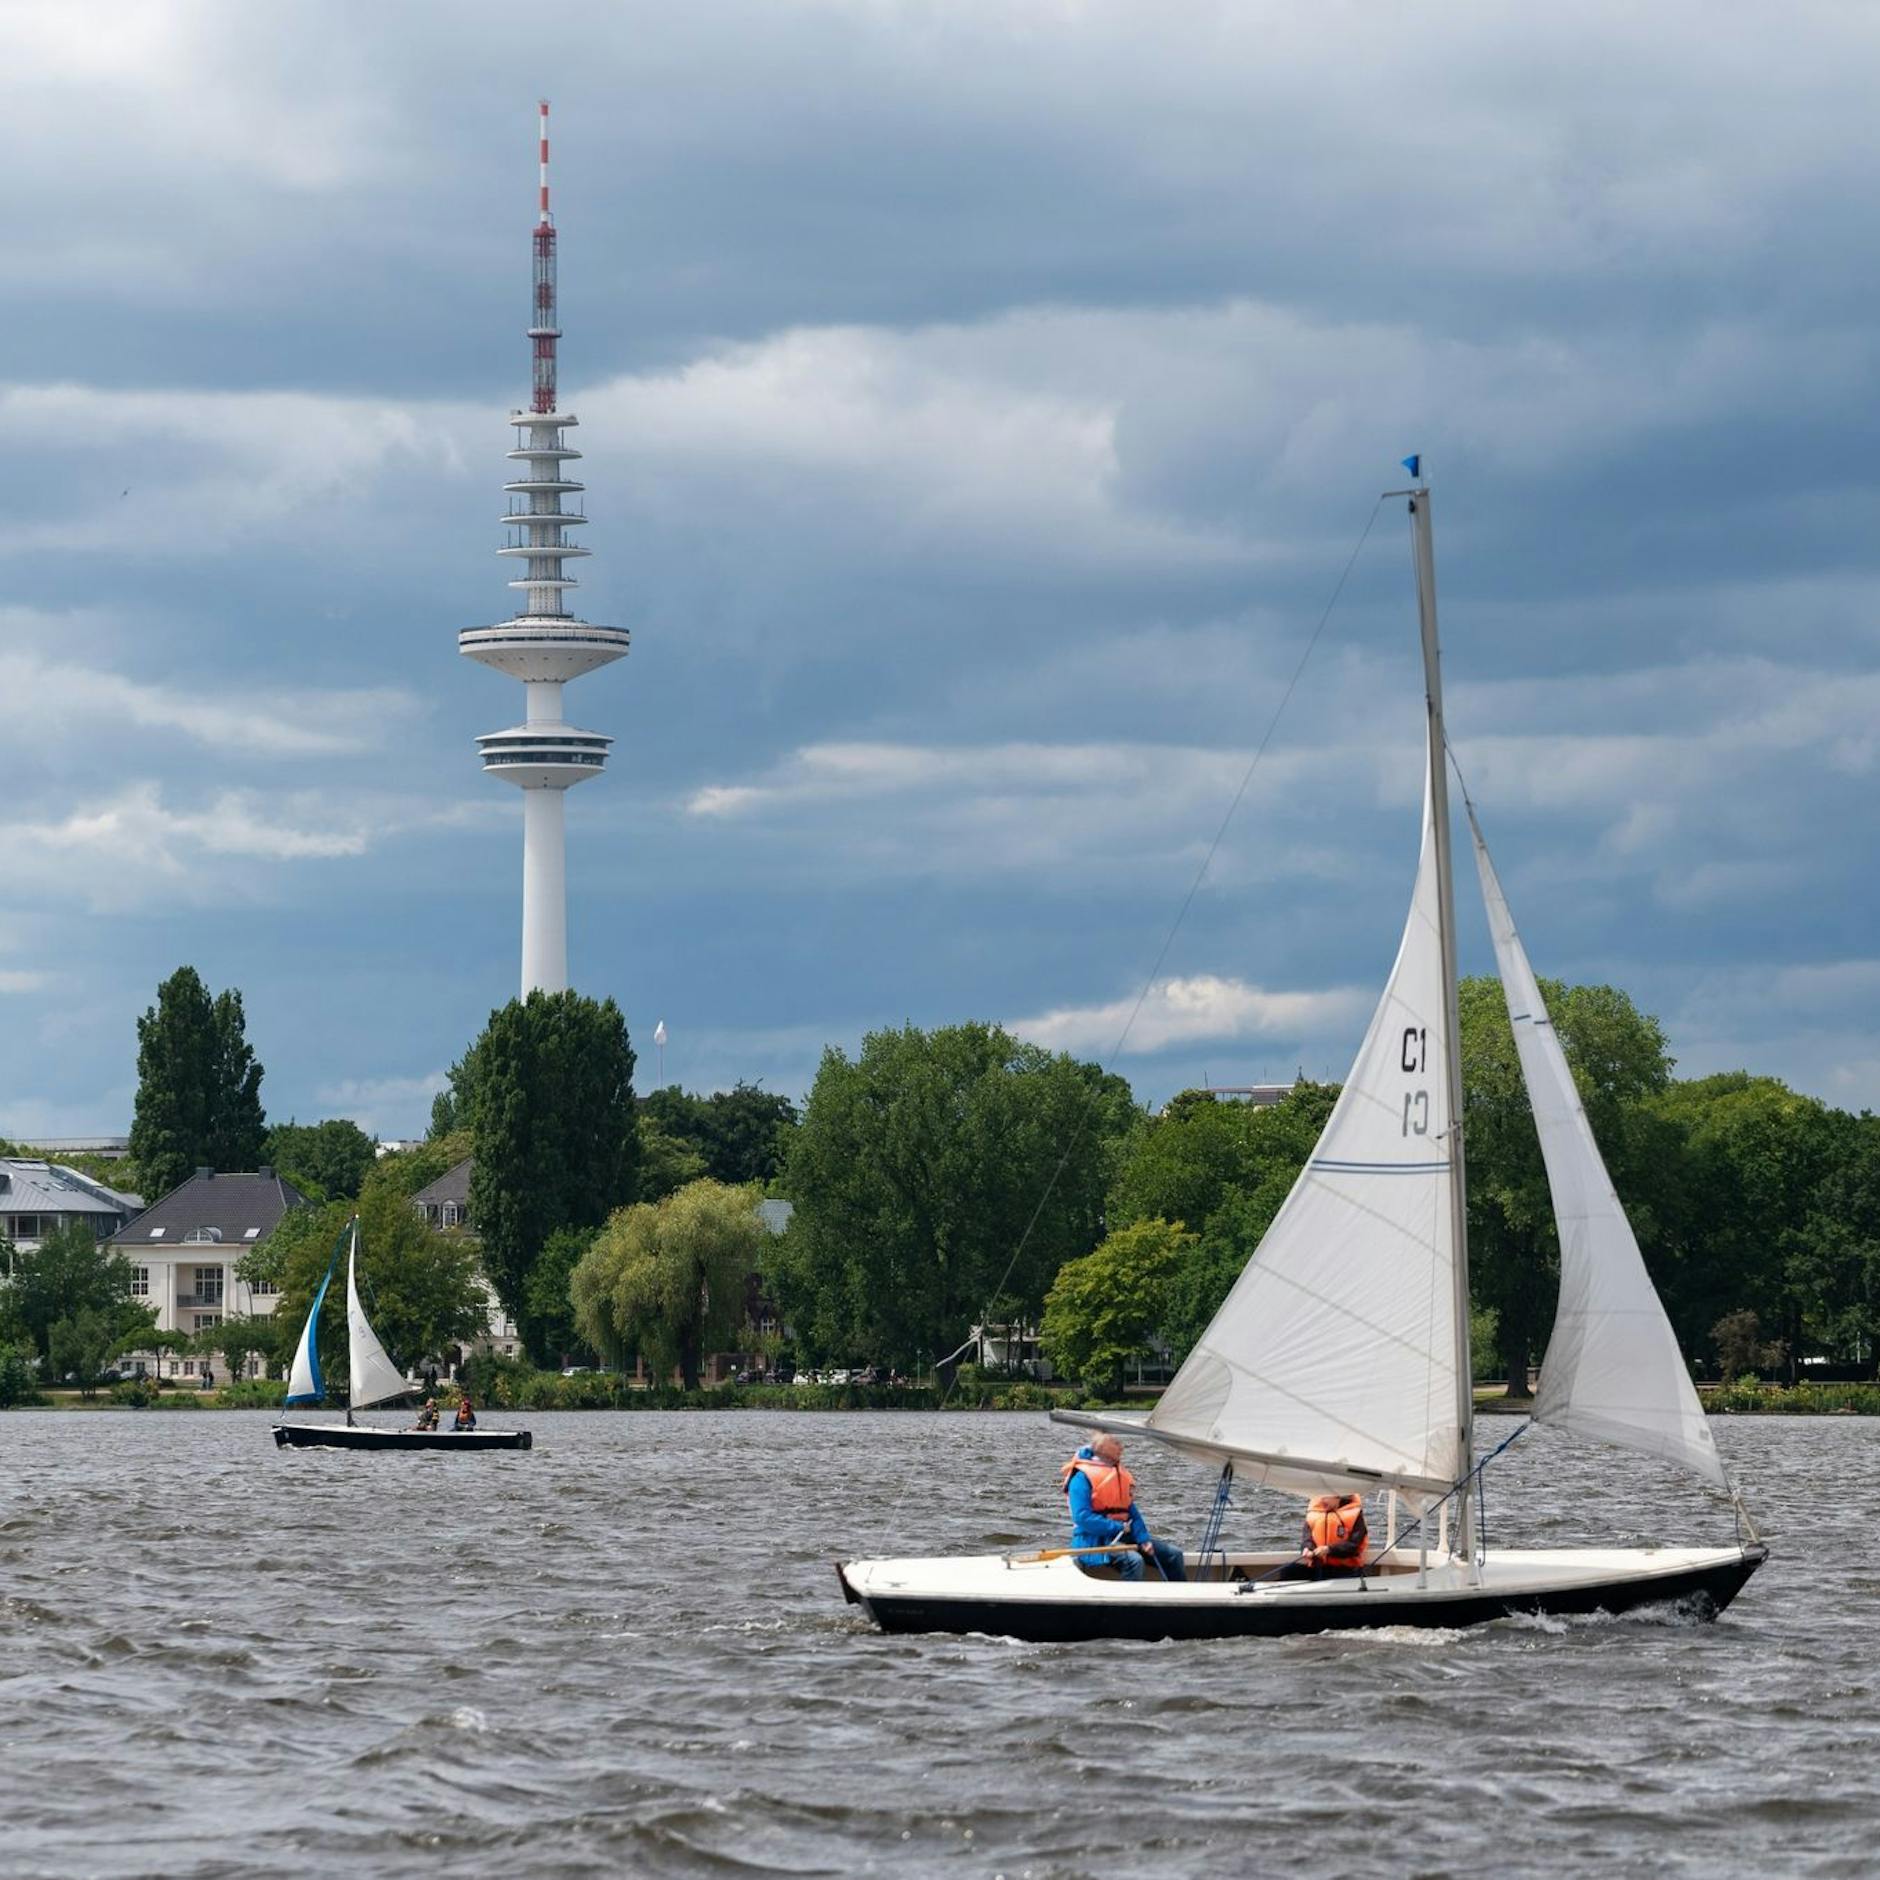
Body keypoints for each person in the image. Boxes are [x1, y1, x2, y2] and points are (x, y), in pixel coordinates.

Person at [1061, 1434, 1185, 1582]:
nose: (1121, 1447)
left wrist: (1143, 1539)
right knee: (1134, 1561)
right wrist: (1117, 1527)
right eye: (1116, 1443)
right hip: (1094, 1540)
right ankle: (1131, 1596)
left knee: (1174, 1555)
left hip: (1124, 1535)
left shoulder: (1118, 1474)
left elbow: (1132, 1513)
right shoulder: (1081, 1477)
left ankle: (1181, 1593)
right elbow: (1082, 1517)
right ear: (1103, 1447)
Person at [1272, 1491, 1370, 1581]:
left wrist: (1329, 1549)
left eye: (1326, 1496)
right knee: (1287, 1571)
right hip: (1319, 1569)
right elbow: (1307, 1539)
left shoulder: (1355, 1516)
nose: (1322, 1500)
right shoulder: (1314, 1515)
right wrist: (1307, 1549)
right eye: (1321, 1496)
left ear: (1338, 1496)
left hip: (1347, 1570)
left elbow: (1354, 1546)